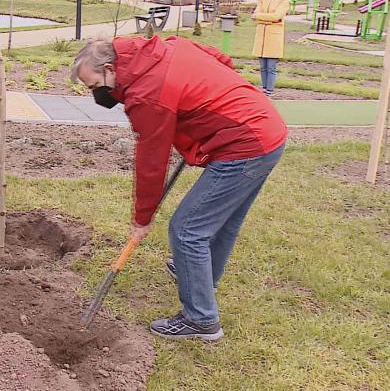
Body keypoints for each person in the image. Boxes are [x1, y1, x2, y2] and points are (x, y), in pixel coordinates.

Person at [71, 36, 287, 341]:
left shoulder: (147, 94)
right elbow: (222, 60)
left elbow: (152, 159)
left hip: (245, 144)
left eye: (94, 86)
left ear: (109, 68)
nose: (95, 94)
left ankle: (201, 319)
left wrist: (142, 218)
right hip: (266, 128)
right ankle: (200, 278)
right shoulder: (162, 48)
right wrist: (198, 107)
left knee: (187, 229)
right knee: (222, 222)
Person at [252, 0, 290, 97]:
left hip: (274, 37)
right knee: (262, 66)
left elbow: (277, 16)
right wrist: (267, 19)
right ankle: (263, 89)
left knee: (271, 67)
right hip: (261, 37)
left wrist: (261, 18)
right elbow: (255, 14)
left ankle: (269, 91)